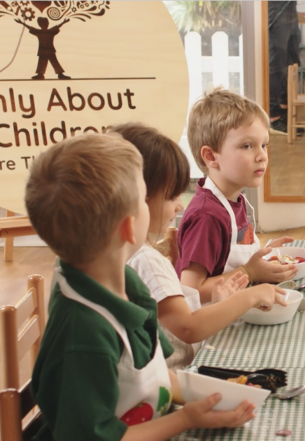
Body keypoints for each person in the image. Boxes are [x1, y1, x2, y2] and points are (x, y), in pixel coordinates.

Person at [26, 134, 256, 440]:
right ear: (128, 225)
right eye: (143, 197)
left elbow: (155, 372)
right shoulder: (83, 335)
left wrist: (213, 397)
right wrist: (185, 419)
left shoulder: (125, 282)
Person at [114, 123, 287, 370]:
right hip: (170, 378)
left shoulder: (125, 255)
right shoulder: (145, 260)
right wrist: (252, 293)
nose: (180, 206)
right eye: (172, 195)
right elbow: (189, 327)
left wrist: (221, 303)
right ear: (136, 198)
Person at [177, 88, 297, 301]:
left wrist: (266, 254)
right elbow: (190, 290)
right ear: (211, 156)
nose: (261, 156)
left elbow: (233, 254)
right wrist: (250, 273)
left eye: (264, 145)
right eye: (247, 146)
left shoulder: (234, 199)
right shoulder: (207, 217)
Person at [267, 1, 301, 134]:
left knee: (292, 63)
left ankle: (286, 113)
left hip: (290, 6)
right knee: (277, 66)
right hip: (276, 9)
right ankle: (275, 116)